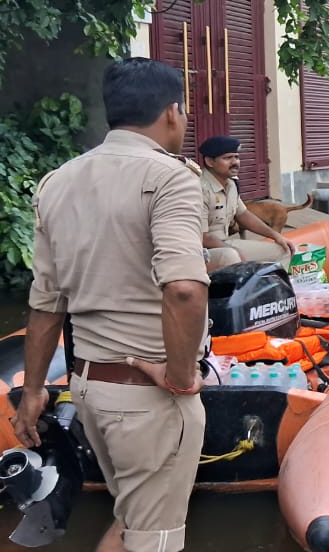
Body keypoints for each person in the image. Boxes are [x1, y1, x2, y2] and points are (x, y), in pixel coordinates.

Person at [13, 57, 209, 552]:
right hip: (148, 397)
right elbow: (185, 289)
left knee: (130, 519)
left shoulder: (57, 183)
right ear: (172, 112)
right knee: (155, 540)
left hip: (87, 389)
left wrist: (34, 390)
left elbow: (45, 304)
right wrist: (182, 377)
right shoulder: (171, 178)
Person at [199, 135, 295, 271]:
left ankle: (271, 291)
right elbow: (200, 236)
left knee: (283, 250)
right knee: (230, 256)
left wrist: (276, 236)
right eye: (227, 158)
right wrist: (233, 250)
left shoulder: (231, 184)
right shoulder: (199, 188)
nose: (235, 162)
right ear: (209, 161)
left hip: (224, 244)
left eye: (236, 157)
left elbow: (243, 214)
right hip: (199, 252)